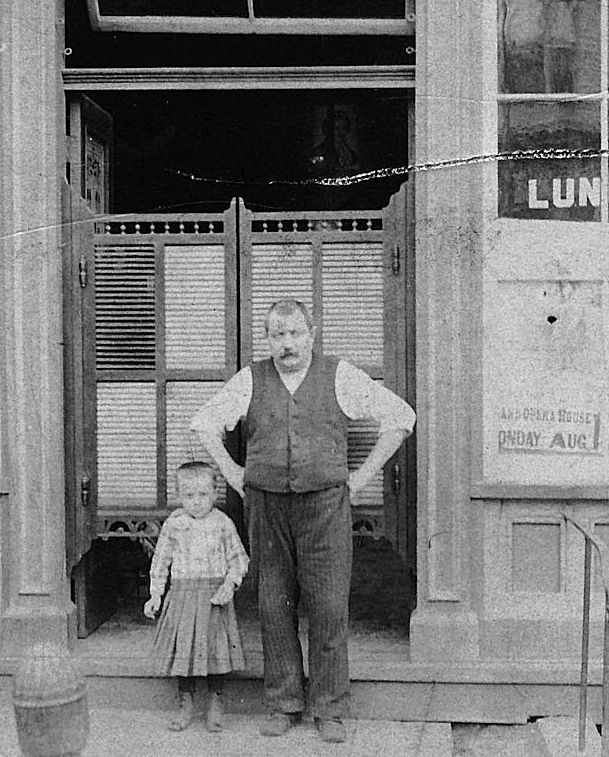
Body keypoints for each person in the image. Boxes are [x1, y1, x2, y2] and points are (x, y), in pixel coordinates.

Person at [190, 298, 415, 744]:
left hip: (325, 509)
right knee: (275, 607)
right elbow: (203, 423)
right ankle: (283, 703)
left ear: (312, 333)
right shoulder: (250, 380)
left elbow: (401, 417)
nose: (287, 344)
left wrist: (361, 477)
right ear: (268, 338)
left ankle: (329, 709)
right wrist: (233, 474)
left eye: (295, 333)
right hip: (267, 508)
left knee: (328, 608)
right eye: (278, 335)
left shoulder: (340, 375)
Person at [143, 461, 249, 734]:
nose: (197, 502)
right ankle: (186, 703)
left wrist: (230, 583)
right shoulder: (175, 524)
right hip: (183, 597)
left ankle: (215, 702)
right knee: (185, 650)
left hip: (214, 597)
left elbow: (239, 559)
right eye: (189, 496)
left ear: (215, 494)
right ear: (180, 496)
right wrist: (156, 594)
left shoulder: (223, 523)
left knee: (215, 650)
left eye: (203, 495)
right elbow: (161, 561)